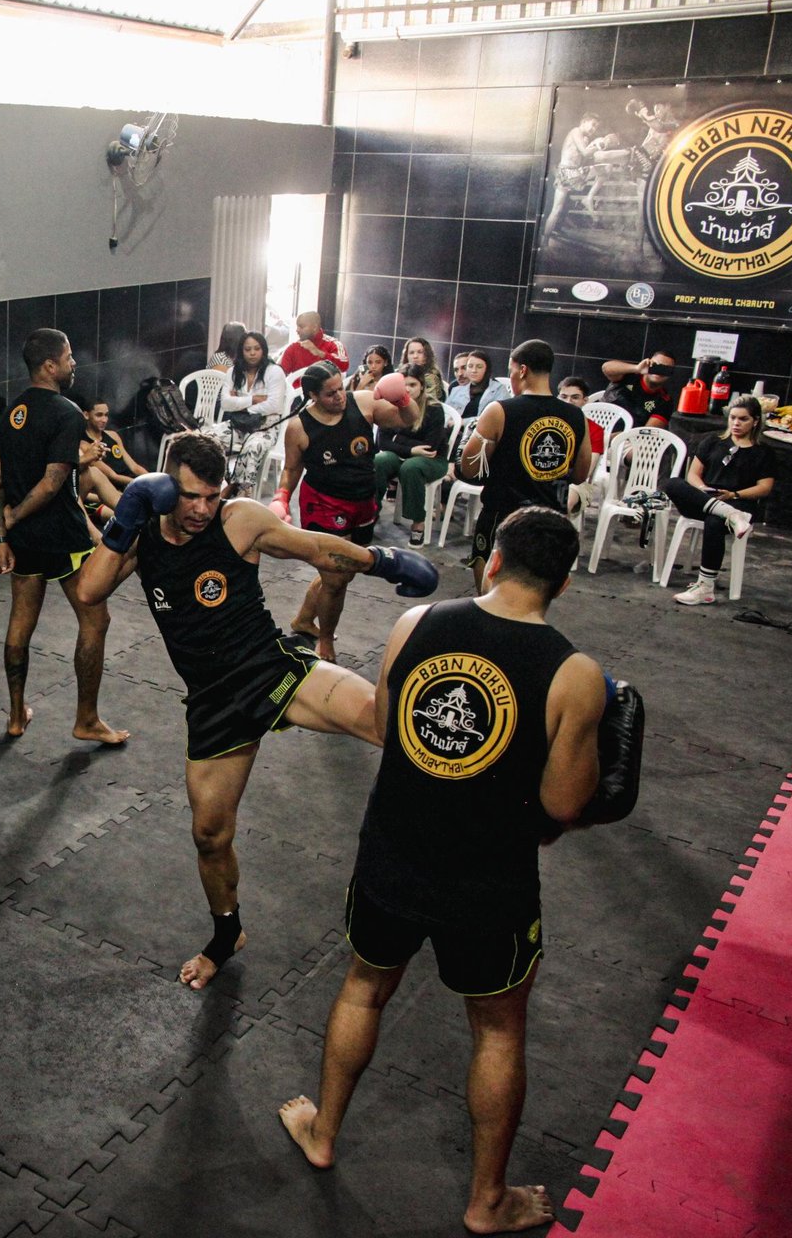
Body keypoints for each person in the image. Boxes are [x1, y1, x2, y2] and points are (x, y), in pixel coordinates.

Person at [279, 507, 609, 1238]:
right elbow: (561, 803)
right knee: (497, 1031)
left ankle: (323, 1133)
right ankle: (487, 1200)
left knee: (364, 987)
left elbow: (392, 732)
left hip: (394, 854)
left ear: (491, 560)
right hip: (489, 881)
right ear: (565, 580)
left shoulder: (416, 625)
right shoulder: (575, 674)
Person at [76, 434, 439, 990]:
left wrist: (381, 559)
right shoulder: (144, 532)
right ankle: (228, 935)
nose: (202, 509)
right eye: (191, 496)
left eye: (211, 496)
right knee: (209, 835)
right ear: (167, 484)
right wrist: (125, 517)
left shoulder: (238, 520)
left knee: (386, 724)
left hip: (273, 669)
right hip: (214, 704)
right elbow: (89, 589)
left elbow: (314, 548)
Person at [0, 328, 127, 745]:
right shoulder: (67, 413)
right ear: (50, 366)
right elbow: (52, 484)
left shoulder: (7, 414)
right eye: (68, 357)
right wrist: (8, 522)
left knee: (20, 624)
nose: (73, 363)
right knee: (95, 620)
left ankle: (15, 716)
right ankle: (86, 719)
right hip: (64, 538)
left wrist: (1, 536)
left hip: (26, 544)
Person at [271, 364, 422, 661]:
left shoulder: (363, 402)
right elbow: (291, 468)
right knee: (336, 578)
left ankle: (303, 619)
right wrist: (281, 497)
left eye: (341, 388)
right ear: (313, 395)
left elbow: (408, 420)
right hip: (324, 504)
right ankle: (325, 641)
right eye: (330, 393)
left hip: (363, 500)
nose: (340, 396)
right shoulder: (299, 427)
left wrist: (403, 398)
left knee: (344, 571)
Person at [462, 340, 593, 595]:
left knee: (490, 601)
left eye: (511, 371)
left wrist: (475, 439)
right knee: (532, 603)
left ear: (522, 370)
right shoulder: (577, 416)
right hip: (550, 521)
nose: (511, 377)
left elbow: (470, 469)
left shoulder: (500, 410)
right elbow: (579, 475)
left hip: (504, 518)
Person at [663, 396, 771, 605]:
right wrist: (703, 489)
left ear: (755, 421)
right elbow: (693, 475)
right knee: (671, 483)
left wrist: (734, 495)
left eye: (743, 419)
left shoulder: (762, 452)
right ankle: (730, 515)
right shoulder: (713, 441)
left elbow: (764, 487)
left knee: (714, 521)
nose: (736, 423)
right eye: (733, 418)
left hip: (739, 501)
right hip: (705, 497)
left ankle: (705, 587)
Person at [371, 367, 451, 546]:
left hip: (433, 459)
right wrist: (411, 449)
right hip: (403, 455)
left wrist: (397, 439)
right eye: (403, 385)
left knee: (411, 467)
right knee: (379, 460)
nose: (407, 389)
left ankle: (418, 523)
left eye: (412, 384)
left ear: (422, 386)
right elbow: (382, 443)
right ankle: (371, 512)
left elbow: (430, 447)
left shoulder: (434, 408)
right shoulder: (389, 404)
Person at [218, 332, 291, 498]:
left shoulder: (274, 372)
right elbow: (225, 403)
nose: (252, 353)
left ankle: (241, 495)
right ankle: (214, 485)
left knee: (252, 448)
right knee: (207, 439)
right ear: (241, 351)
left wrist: (242, 405)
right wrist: (254, 399)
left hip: (265, 426)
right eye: (247, 349)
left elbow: (275, 405)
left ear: (263, 350)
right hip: (237, 424)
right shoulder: (233, 372)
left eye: (256, 349)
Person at [554, 377, 603, 516]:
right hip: (544, 476)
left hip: (576, 482)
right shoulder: (548, 422)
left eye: (575, 397)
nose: (568, 402)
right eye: (564, 397)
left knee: (563, 502)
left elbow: (586, 471)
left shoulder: (594, 429)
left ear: (585, 400)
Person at [600, 351, 678, 429]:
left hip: (625, 437)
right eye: (655, 365)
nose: (659, 371)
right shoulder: (629, 375)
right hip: (599, 421)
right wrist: (636, 368)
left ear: (670, 374)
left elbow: (647, 432)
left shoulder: (665, 401)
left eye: (666, 369)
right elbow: (606, 368)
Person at [279, 312, 350, 377]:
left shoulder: (333, 344)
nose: (297, 330)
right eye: (297, 327)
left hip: (324, 390)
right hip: (297, 390)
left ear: (315, 327)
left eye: (301, 327)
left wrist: (319, 353)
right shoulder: (293, 348)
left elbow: (344, 366)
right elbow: (280, 374)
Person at [446, 350, 511, 421]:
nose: (474, 370)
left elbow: (500, 417)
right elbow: (446, 414)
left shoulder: (498, 389)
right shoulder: (456, 390)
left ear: (486, 369)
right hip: (454, 429)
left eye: (479, 367)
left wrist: (463, 422)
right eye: (470, 366)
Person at [403, 337, 446, 403]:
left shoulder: (432, 377)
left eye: (420, 352)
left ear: (426, 355)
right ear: (406, 356)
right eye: (411, 353)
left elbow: (430, 402)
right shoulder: (400, 373)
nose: (415, 356)